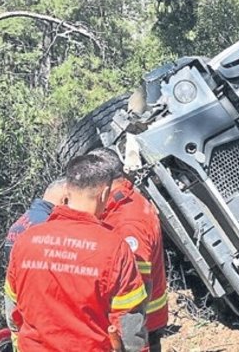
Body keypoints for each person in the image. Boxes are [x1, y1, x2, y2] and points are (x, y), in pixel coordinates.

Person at [5, 154, 148, 351]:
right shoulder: (114, 248)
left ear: (67, 191)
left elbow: (12, 309)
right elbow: (129, 322)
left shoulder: (25, 241)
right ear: (105, 193)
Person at [87, 148, 168, 352]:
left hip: (138, 325)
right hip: (140, 319)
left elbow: (133, 285)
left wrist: (121, 337)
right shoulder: (126, 202)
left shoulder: (126, 223)